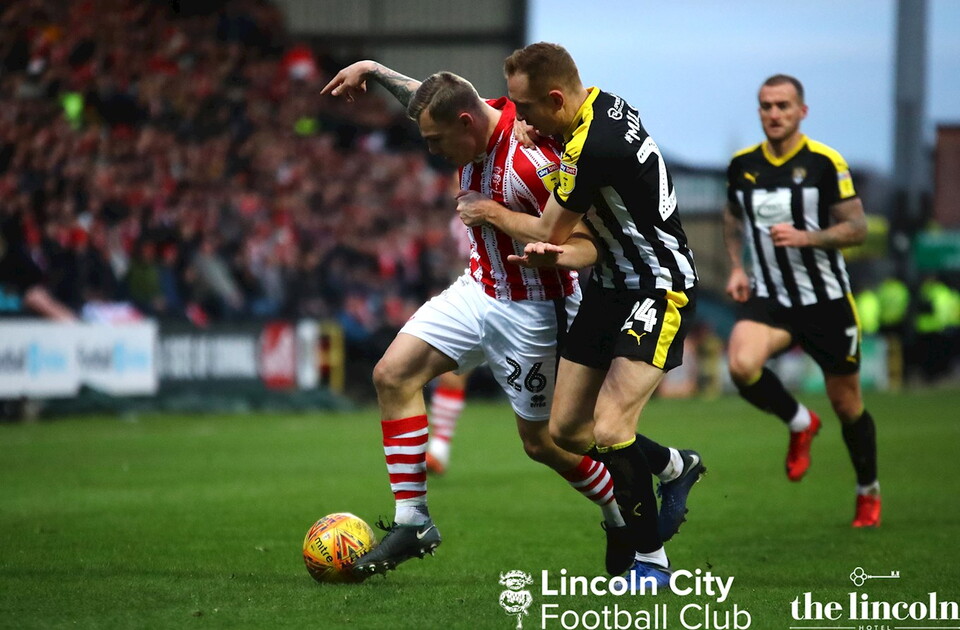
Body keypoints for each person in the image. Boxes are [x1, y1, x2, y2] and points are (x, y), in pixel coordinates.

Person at [323, 62, 642, 579]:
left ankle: (620, 510)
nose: (433, 151)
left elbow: (588, 243)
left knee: (544, 444)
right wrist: (374, 70)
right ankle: (413, 521)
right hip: (477, 288)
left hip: (536, 309)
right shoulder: (471, 112)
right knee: (392, 374)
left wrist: (512, 227)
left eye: (436, 141)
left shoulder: (535, 161)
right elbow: (429, 96)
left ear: (466, 124)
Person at [456, 42, 704, 584]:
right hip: (610, 287)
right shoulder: (602, 105)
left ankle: (651, 563)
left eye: (525, 107)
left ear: (555, 98)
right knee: (567, 431)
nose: (519, 118)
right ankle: (674, 466)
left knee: (611, 427)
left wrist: (489, 211)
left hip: (658, 287)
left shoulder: (594, 145)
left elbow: (550, 229)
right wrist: (542, 136)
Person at [722, 74, 880, 528]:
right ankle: (799, 422)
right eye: (766, 106)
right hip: (771, 295)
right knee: (741, 365)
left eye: (783, 106)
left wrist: (808, 237)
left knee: (847, 404)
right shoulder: (742, 166)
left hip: (825, 300)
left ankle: (867, 490)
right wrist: (736, 268)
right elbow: (731, 219)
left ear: (802, 111)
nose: (774, 114)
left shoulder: (825, 163)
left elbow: (858, 229)